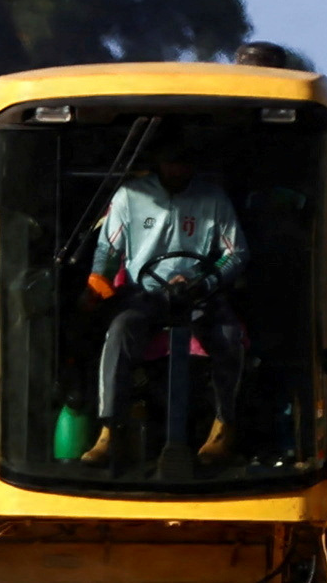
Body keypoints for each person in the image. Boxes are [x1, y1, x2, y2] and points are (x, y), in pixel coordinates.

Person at [81, 163, 248, 474]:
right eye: (169, 159)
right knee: (120, 330)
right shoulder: (130, 195)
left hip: (199, 293)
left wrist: (204, 282)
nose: (176, 167)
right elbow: (108, 248)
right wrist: (97, 283)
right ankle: (110, 430)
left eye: (182, 160)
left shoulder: (213, 198)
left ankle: (223, 426)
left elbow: (235, 253)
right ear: (157, 162)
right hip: (145, 293)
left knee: (228, 334)